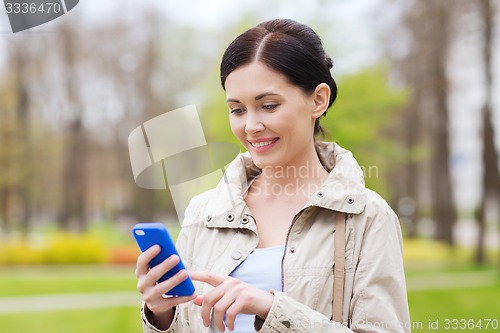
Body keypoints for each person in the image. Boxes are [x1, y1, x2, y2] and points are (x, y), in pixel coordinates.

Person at [135, 18, 411, 333]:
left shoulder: (367, 218)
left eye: (268, 106)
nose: (250, 126)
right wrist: (160, 314)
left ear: (317, 100)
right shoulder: (204, 212)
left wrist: (271, 309)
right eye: (237, 110)